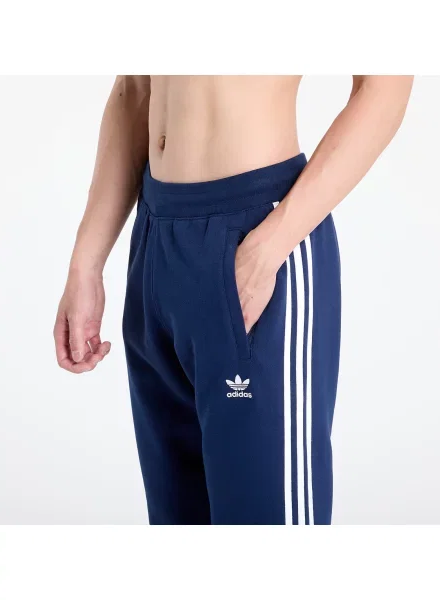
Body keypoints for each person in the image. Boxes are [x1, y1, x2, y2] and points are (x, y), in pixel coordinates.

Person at [54, 75, 413, 525]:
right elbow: (135, 87)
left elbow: (385, 87)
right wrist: (86, 264)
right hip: (155, 240)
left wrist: (271, 245)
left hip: (256, 237)